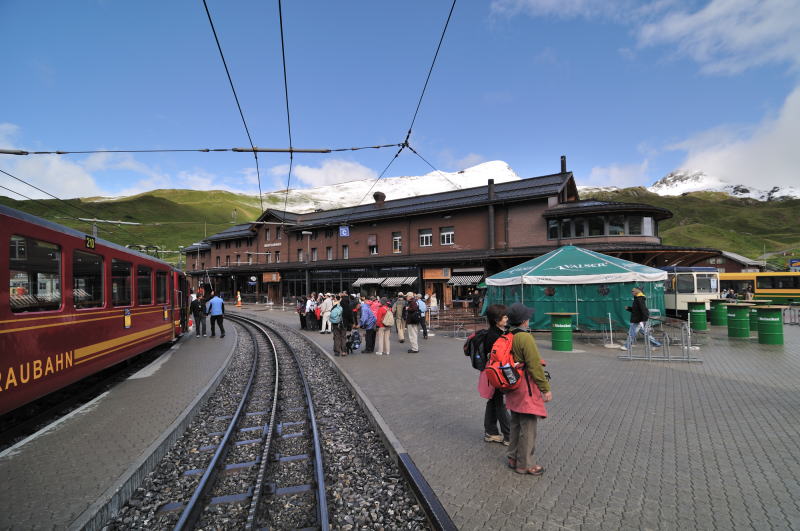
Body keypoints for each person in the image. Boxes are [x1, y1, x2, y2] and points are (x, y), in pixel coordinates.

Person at [504, 302, 551, 476]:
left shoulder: (507, 334)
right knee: (528, 426)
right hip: (525, 386)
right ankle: (525, 464)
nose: (529, 319)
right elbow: (534, 365)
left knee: (516, 423)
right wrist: (545, 388)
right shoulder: (525, 337)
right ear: (523, 320)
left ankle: (513, 457)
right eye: (528, 317)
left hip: (511, 385)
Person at [477, 304, 511, 445]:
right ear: (497, 320)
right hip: (496, 374)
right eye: (504, 317)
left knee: (493, 401)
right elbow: (499, 357)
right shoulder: (494, 336)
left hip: (492, 373)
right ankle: (509, 436)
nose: (507, 318)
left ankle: (490, 432)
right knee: (499, 402)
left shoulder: (496, 332)